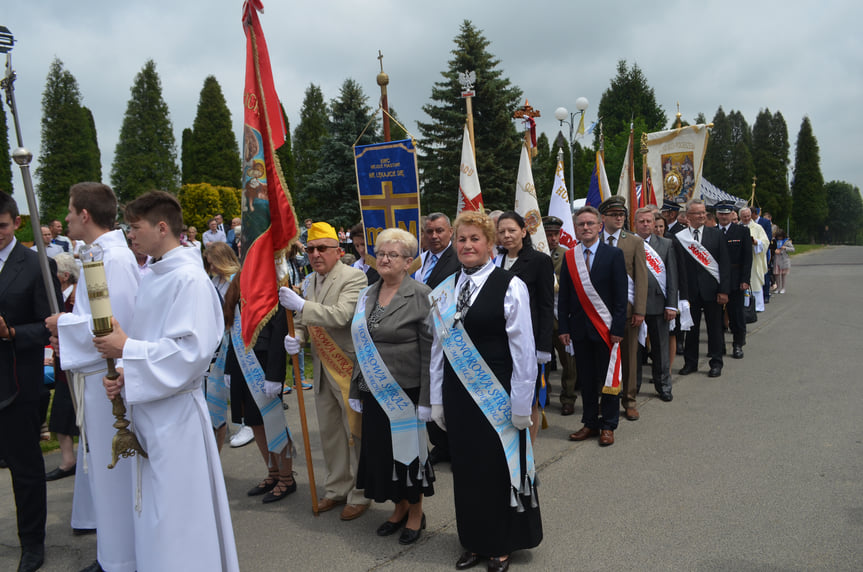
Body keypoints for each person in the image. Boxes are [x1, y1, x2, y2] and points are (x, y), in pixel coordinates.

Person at [93, 191, 238, 571]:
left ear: (161, 227)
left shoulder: (188, 279)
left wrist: (126, 349)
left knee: (177, 514)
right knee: (155, 510)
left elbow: (190, 354)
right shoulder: (157, 273)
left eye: (135, 227)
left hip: (175, 418)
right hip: (151, 409)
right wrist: (127, 373)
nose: (130, 236)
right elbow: (157, 341)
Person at [429, 210, 541, 571]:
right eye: (461, 239)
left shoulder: (510, 285)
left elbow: (524, 351)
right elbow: (437, 350)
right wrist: (436, 399)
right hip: (458, 395)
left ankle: (500, 544)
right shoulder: (444, 290)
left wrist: (523, 404)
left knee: (496, 469)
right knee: (466, 469)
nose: (467, 245)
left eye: (475, 239)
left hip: (498, 393)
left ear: (490, 244)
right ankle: (474, 541)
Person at [279, 222, 371, 521]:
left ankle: (361, 492)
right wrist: (297, 338)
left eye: (322, 249)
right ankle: (337, 488)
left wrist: (302, 306)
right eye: (311, 249)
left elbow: (342, 316)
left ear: (338, 251)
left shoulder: (354, 277)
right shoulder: (309, 282)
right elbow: (304, 322)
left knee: (353, 434)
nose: (316, 255)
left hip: (346, 367)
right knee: (330, 434)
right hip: (321, 370)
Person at [348, 228, 434, 545]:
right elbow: (361, 344)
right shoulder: (368, 293)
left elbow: (429, 352)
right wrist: (356, 389)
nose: (384, 259)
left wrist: (427, 399)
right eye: (381, 253)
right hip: (373, 391)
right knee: (383, 456)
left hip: (406, 393)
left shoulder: (421, 295)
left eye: (392, 255)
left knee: (409, 458)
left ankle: (415, 514)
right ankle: (398, 508)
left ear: (408, 262)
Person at [0, 192, 63, 572]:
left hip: (17, 383)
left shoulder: (37, 264)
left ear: (16, 223)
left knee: (24, 469)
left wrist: (11, 333)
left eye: (1, 226)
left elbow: (49, 325)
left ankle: (32, 544)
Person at [217, 274, 296, 503]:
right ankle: (272, 473)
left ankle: (286, 478)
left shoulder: (275, 282)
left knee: (273, 422)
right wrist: (230, 369)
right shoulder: (239, 281)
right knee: (254, 422)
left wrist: (274, 375)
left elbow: (279, 334)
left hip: (263, 365)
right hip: (242, 364)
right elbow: (232, 332)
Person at [559, 206, 628, 447]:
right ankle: (589, 422)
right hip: (579, 329)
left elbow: (621, 296)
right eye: (581, 224)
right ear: (575, 229)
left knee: (608, 379)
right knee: (586, 379)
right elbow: (564, 296)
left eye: (590, 223)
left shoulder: (613, 255)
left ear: (600, 226)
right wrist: (564, 327)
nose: (585, 228)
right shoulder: (570, 257)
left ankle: (608, 425)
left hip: (607, 329)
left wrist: (618, 328)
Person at [496, 211, 554, 440]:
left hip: (528, 341)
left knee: (528, 397)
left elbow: (546, 306)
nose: (507, 235)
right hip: (500, 339)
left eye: (512, 230)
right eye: (502, 232)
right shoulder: (495, 260)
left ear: (523, 231)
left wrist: (543, 347)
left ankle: (527, 455)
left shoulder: (540, 261)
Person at [416, 213, 460, 465]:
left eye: (439, 231)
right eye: (429, 231)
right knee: (428, 390)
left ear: (450, 232)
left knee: (447, 392)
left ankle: (456, 447)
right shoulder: (419, 261)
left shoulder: (458, 259)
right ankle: (440, 444)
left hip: (448, 335)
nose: (434, 236)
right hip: (421, 336)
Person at [598, 197, 647, 422]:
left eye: (622, 214)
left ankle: (629, 400)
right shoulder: (593, 240)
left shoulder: (634, 242)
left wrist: (639, 309)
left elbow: (641, 278)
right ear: (604, 217)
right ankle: (606, 399)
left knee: (628, 358)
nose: (619, 218)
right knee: (601, 358)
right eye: (614, 214)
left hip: (626, 311)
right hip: (598, 311)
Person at [674, 199, 730, 378]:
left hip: (712, 290)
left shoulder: (716, 235)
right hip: (690, 291)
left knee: (715, 329)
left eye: (703, 212)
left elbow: (725, 264)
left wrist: (724, 290)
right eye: (697, 213)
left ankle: (716, 363)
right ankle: (690, 363)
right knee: (691, 330)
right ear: (688, 216)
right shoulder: (681, 237)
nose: (702, 215)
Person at [633, 208, 678, 401]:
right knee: (634, 351)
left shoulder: (666, 244)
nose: (645, 224)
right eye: (641, 221)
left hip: (659, 305)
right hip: (633, 305)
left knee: (660, 349)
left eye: (648, 221)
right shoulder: (627, 243)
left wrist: (672, 305)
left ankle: (663, 386)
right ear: (635, 223)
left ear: (654, 224)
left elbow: (672, 277)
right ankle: (632, 388)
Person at [44, 253, 79, 481]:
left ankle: (70, 461)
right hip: (62, 363)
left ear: (64, 277)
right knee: (60, 415)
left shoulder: (74, 299)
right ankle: (69, 460)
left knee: (68, 413)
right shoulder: (60, 298)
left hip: (74, 367)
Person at [543, 216, 578, 416]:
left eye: (556, 234)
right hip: (543, 318)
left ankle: (568, 397)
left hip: (561, 315)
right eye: (549, 234)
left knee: (569, 363)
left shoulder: (567, 255)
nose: (553, 238)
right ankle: (543, 393)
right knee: (543, 361)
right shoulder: (536, 254)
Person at [715, 201, 752, 359]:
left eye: (727, 213)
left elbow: (747, 258)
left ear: (732, 214)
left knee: (736, 315)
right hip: (716, 279)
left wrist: (745, 279)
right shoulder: (711, 231)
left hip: (735, 279)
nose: (724, 217)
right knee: (716, 317)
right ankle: (719, 345)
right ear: (716, 214)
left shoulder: (741, 231)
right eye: (721, 213)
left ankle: (738, 344)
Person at [740, 208, 769, 313]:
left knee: (755, 282)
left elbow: (766, 242)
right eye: (744, 217)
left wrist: (756, 242)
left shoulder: (757, 227)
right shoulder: (738, 227)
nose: (747, 218)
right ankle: (745, 305)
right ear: (740, 217)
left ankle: (757, 306)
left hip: (754, 259)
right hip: (741, 260)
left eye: (748, 216)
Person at [772, 228, 794, 293]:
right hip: (776, 260)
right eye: (778, 237)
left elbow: (793, 249)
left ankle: (783, 288)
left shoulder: (787, 241)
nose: (779, 238)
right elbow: (771, 248)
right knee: (777, 274)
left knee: (783, 275)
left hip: (784, 260)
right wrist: (774, 251)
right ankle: (778, 288)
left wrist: (785, 248)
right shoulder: (774, 241)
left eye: (780, 236)